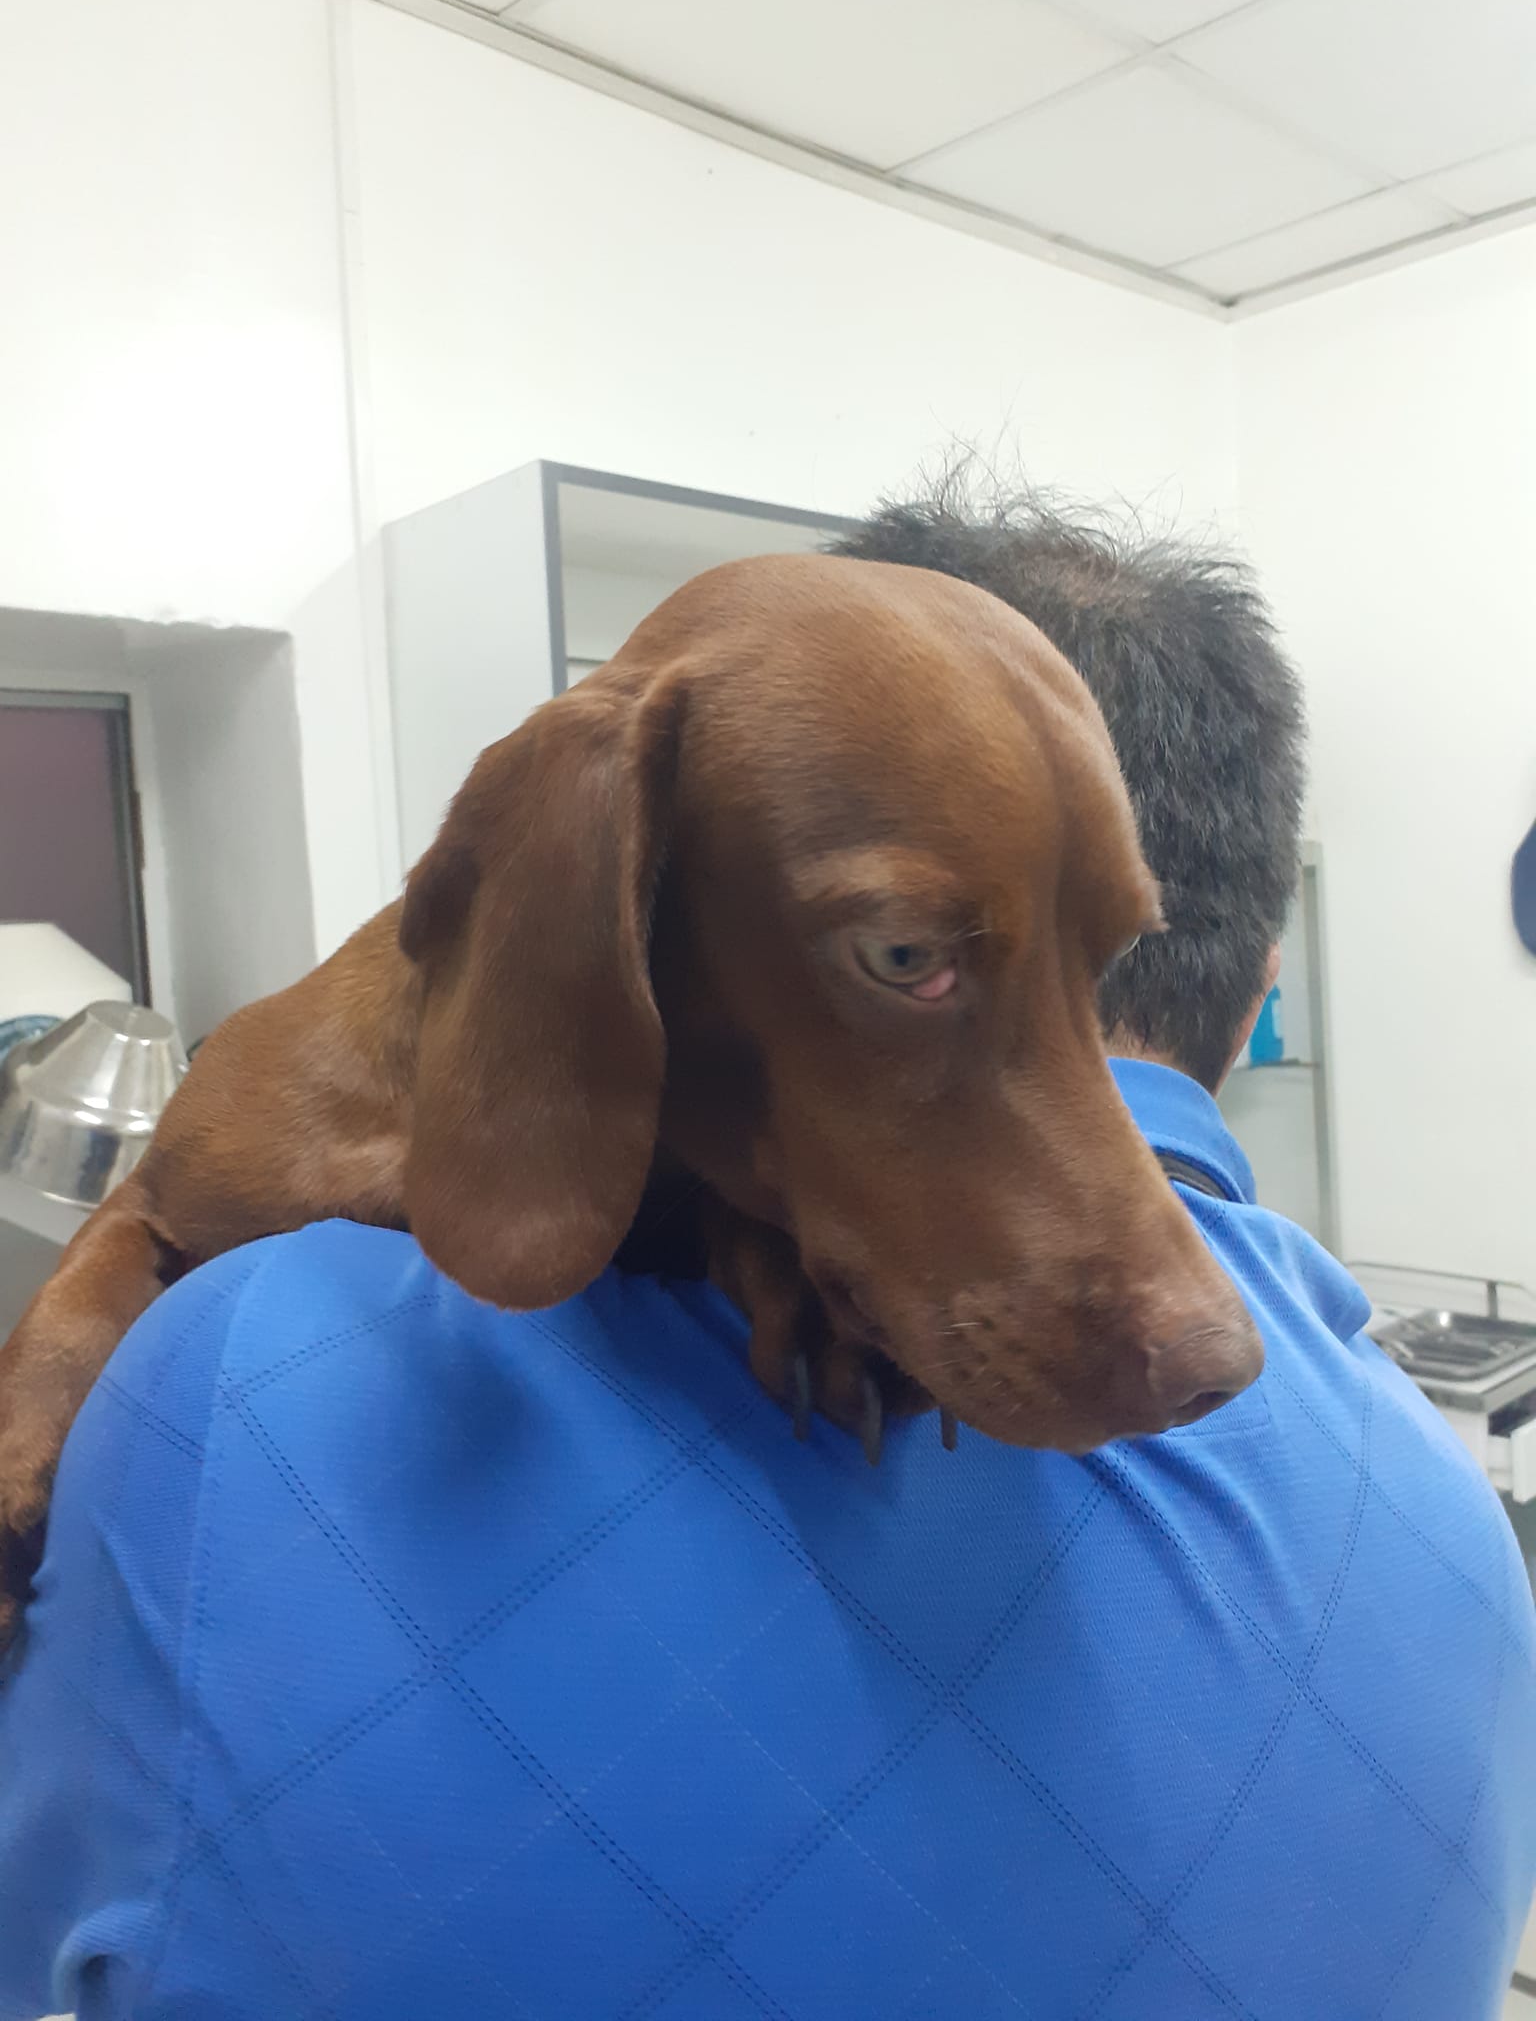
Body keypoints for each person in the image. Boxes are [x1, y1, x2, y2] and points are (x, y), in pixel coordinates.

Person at [2, 480, 1533, 2021]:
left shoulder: (226, 1417)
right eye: (906, 956)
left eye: (1090, 959)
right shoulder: (1463, 1535)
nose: (1209, 1346)